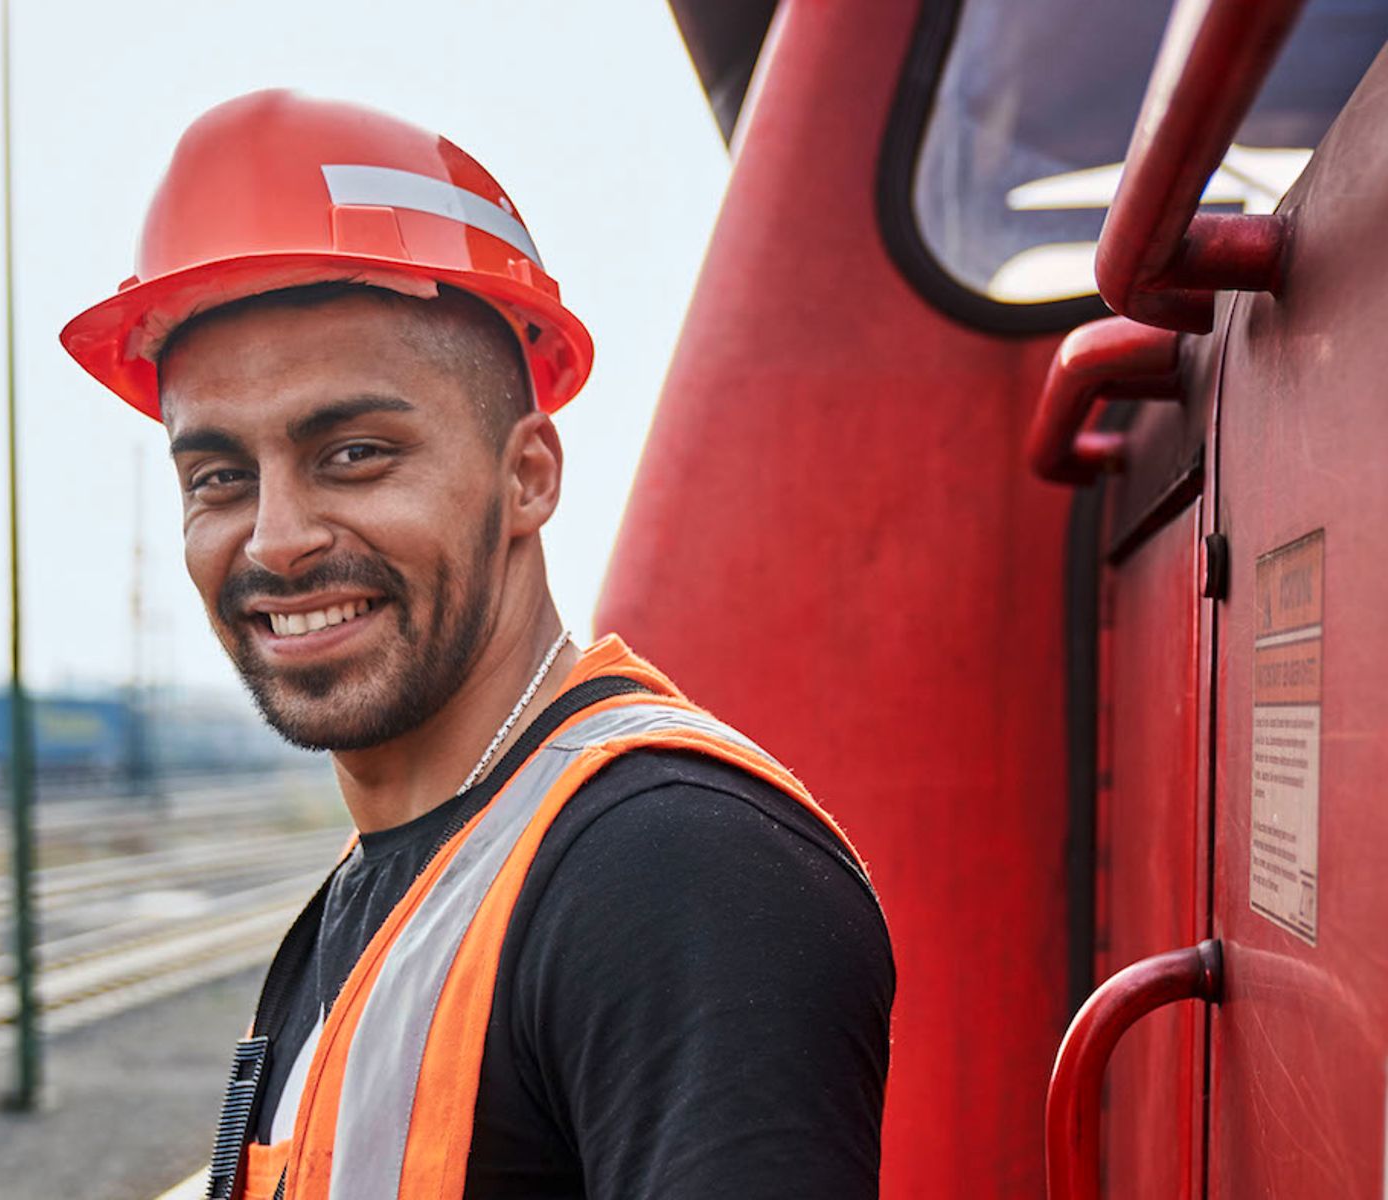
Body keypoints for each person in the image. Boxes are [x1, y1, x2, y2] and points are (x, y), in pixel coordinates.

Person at [61, 90, 893, 1200]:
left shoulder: (674, 874)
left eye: (354, 454)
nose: (276, 538)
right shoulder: (394, 883)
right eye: (220, 476)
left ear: (527, 477)